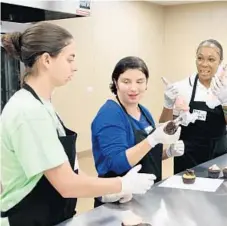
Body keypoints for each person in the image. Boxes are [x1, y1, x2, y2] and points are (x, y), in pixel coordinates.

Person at [0, 22, 156, 226]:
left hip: (52, 215)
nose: (75, 66)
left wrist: (106, 190)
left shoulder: (43, 105)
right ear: (47, 60)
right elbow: (65, 184)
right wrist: (120, 183)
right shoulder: (28, 112)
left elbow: (68, 169)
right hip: (28, 218)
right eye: (70, 58)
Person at [91, 56, 183, 207]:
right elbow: (117, 163)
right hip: (119, 201)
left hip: (146, 196)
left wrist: (169, 153)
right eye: (126, 81)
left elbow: (146, 156)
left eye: (140, 81)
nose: (134, 88)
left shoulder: (143, 111)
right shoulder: (110, 115)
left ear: (146, 84)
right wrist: (152, 139)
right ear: (116, 83)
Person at [159, 39, 227, 174]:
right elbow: (166, 130)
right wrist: (168, 104)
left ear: (220, 62)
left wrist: (226, 102)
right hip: (188, 157)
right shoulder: (183, 87)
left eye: (211, 59)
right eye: (200, 58)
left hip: (219, 156)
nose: (204, 64)